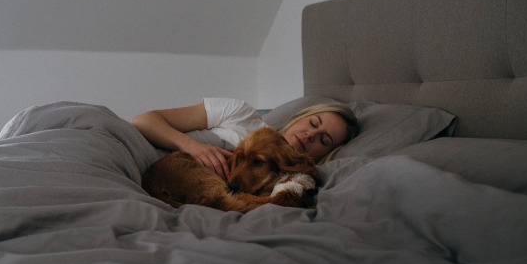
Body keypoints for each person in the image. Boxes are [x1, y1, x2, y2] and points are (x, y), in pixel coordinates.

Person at [131, 98, 358, 180]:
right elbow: (143, 120)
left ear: (326, 154)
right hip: (138, 156)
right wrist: (193, 147)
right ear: (300, 117)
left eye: (323, 140)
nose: (310, 135)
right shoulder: (241, 113)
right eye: (313, 123)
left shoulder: (290, 179)